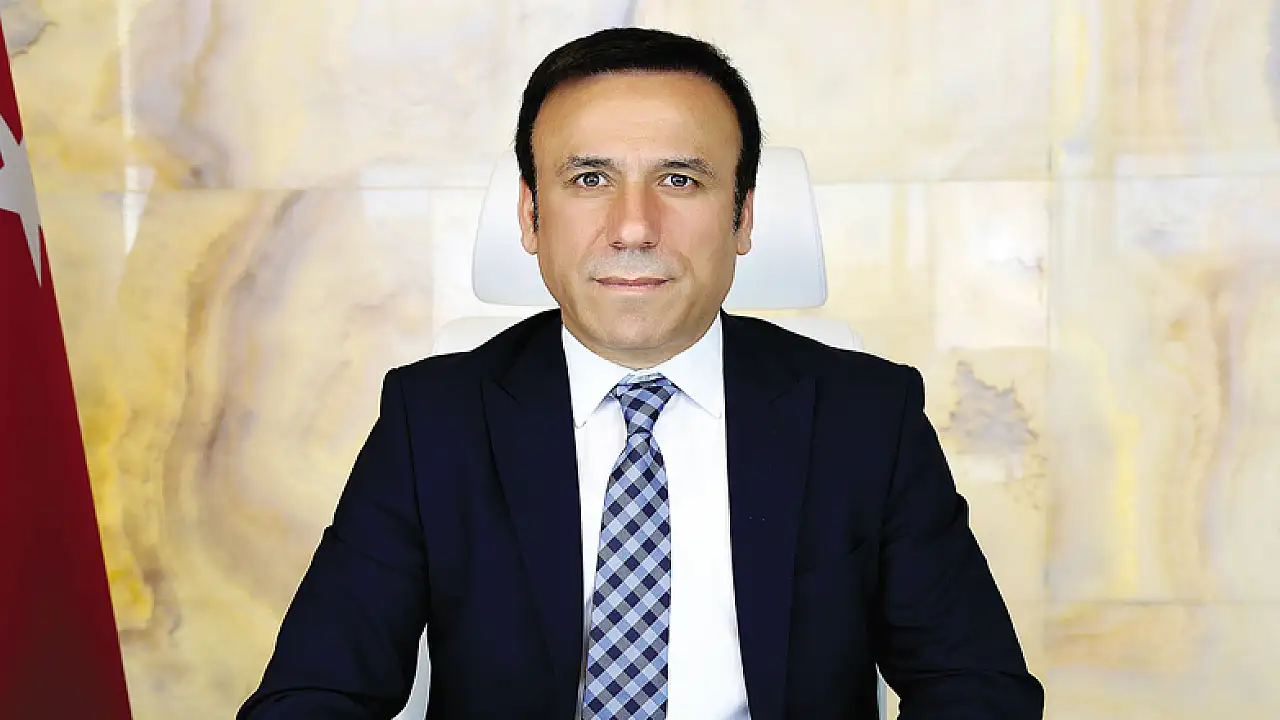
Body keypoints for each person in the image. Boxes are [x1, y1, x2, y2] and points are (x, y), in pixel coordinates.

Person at [239, 27, 1044, 720]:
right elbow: (313, 694)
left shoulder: (865, 417)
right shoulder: (434, 422)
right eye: (589, 179)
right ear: (530, 215)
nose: (633, 227)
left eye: (680, 180)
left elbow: (977, 690)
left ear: (744, 216)